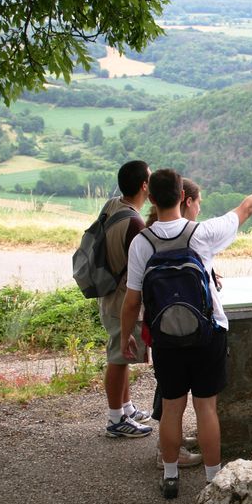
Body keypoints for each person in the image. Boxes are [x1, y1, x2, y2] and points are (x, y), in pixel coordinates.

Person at [121, 167, 252, 499]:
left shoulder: (142, 242)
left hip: (166, 339)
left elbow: (132, 300)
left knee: (171, 407)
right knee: (206, 407)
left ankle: (170, 476)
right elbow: (247, 208)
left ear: (151, 199)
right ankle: (213, 480)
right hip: (207, 334)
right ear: (183, 196)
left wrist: (130, 335)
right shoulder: (203, 233)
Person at [143, 178, 216, 470]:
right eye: (198, 202)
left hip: (161, 329)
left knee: (170, 394)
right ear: (185, 199)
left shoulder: (147, 237)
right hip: (193, 330)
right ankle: (168, 453)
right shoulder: (195, 235)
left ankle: (170, 457)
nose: (199, 208)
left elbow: (135, 295)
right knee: (189, 402)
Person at [100, 160, 153, 439]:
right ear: (144, 186)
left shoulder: (113, 206)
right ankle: (115, 420)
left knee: (123, 354)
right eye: (150, 177)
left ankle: (126, 408)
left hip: (109, 291)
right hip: (122, 297)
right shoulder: (135, 223)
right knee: (119, 357)